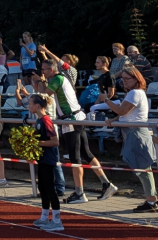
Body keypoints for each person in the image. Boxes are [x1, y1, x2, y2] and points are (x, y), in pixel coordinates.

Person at [40, 57, 117, 203]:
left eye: (43, 70)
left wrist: (32, 91)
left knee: (75, 157)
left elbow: (44, 97)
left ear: (51, 69)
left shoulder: (57, 79)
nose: (42, 72)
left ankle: (79, 193)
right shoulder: (60, 78)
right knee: (85, 153)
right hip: (76, 118)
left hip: (70, 120)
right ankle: (106, 183)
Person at [104, 67, 158, 213]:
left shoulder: (135, 92)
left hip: (136, 133)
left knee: (143, 168)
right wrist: (113, 119)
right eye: (122, 79)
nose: (124, 82)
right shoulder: (134, 93)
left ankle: (152, 201)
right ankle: (151, 200)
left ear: (136, 79)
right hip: (131, 132)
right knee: (142, 168)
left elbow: (122, 111)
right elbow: (124, 114)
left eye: (127, 79)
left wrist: (106, 100)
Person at [29, 93, 62, 231]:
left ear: (37, 106)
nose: (28, 106)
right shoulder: (38, 120)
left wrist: (36, 143)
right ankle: (44, 217)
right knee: (42, 188)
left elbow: (55, 141)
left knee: (50, 189)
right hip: (42, 158)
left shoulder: (46, 120)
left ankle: (57, 220)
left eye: (30, 104)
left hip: (49, 159)